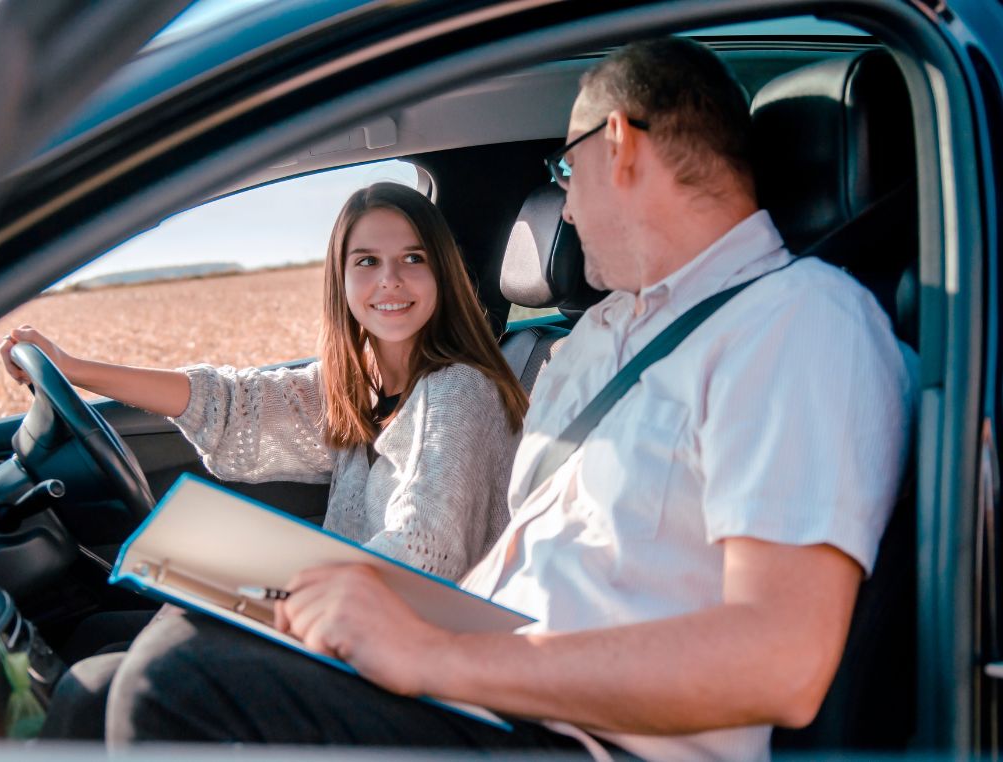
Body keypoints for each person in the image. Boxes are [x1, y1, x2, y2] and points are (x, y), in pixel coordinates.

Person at [100, 38, 916, 760]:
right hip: (491, 692)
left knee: (175, 681)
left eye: (565, 170)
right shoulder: (596, 340)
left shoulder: (802, 321)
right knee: (125, 668)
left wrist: (429, 654)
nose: (565, 202)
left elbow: (779, 662)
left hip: (579, 735)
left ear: (620, 146)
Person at [0, 183, 528, 736]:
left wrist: (266, 588)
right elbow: (233, 404)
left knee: (106, 685)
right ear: (341, 280)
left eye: (412, 259)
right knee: (94, 648)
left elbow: (423, 554)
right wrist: (74, 368)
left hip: (418, 661)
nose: (389, 280)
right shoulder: (358, 386)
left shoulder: (460, 391)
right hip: (357, 627)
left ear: (441, 272)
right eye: (367, 260)